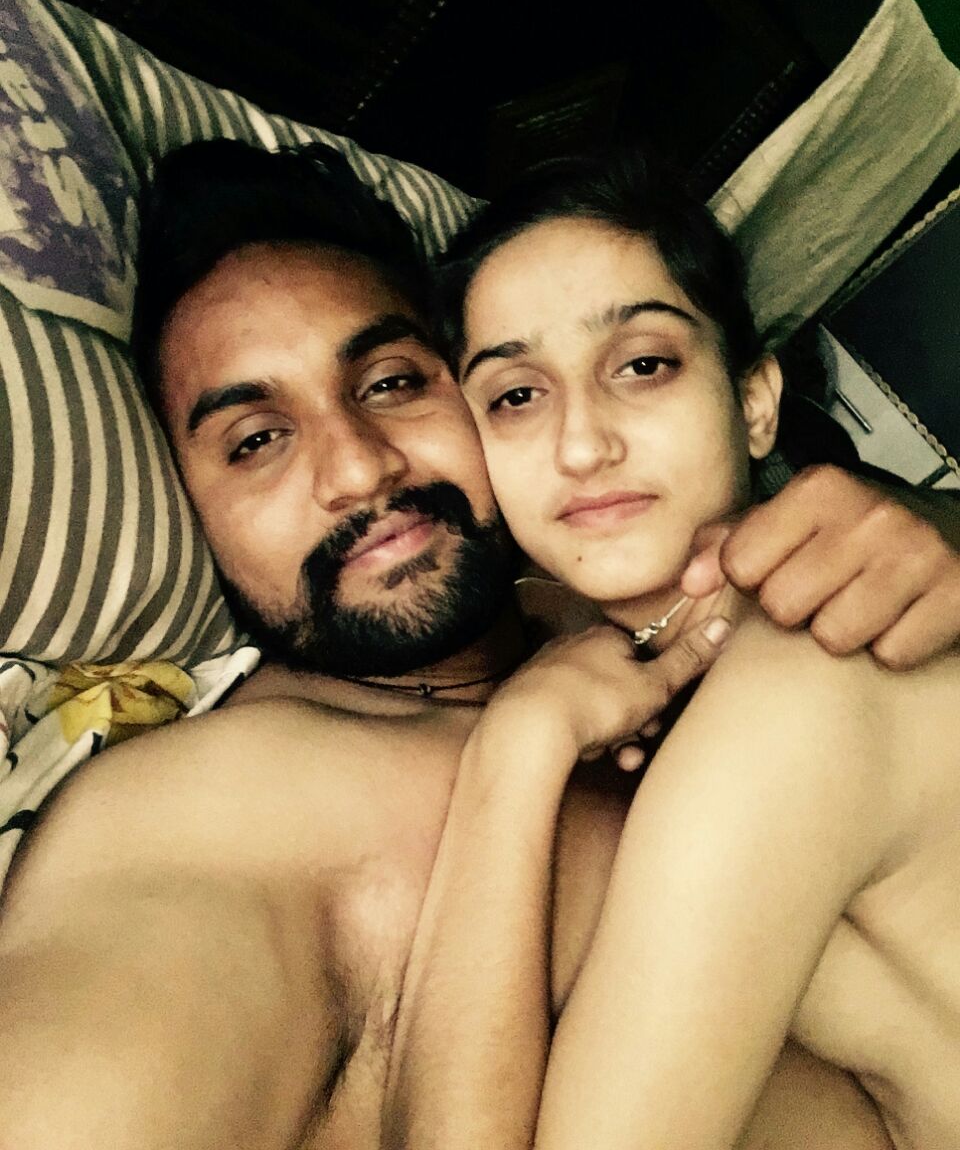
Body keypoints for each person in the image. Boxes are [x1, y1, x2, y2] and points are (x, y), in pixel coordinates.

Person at [0, 140, 956, 1150]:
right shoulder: (219, 807)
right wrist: (522, 744)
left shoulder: (626, 598)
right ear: (189, 509)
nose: (358, 468)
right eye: (256, 440)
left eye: (390, 382)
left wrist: (933, 527)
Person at [385, 149, 960, 1149]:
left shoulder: (798, 689)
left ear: (754, 401)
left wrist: (516, 748)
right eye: (516, 395)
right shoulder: (643, 659)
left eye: (643, 364)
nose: (581, 445)